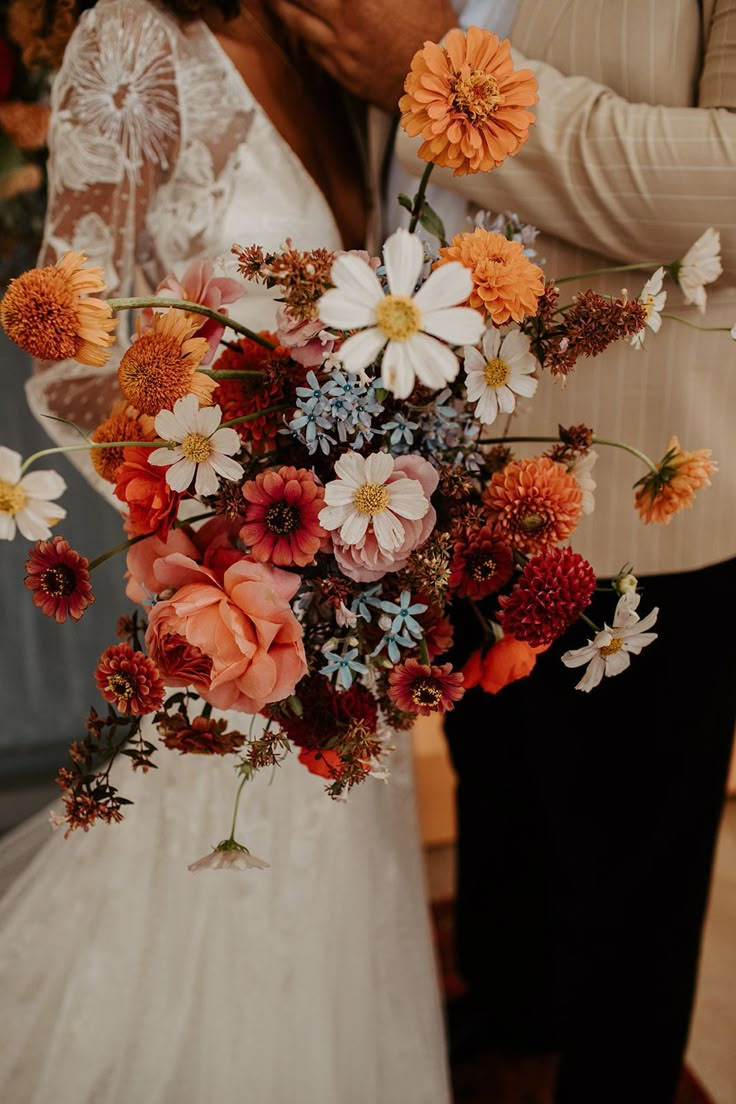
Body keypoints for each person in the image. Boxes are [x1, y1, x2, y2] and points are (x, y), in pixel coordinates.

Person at [269, 0, 736, 1101]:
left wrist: (449, 87)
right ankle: (505, 1021)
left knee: (630, 896)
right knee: (506, 823)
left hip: (643, 488)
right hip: (427, 473)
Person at [0, 3, 453, 1102]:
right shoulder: (132, 41)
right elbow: (65, 348)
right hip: (226, 599)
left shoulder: (341, 45)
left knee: (341, 901)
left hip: (342, 600)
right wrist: (218, 506)